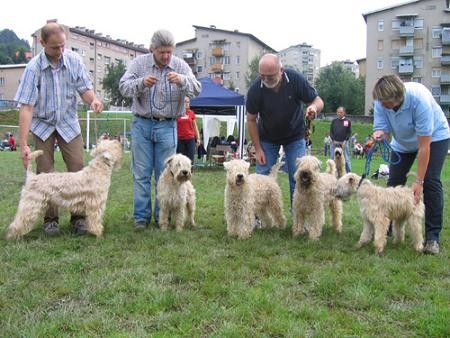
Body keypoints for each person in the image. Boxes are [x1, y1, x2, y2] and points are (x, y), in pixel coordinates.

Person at [14, 22, 103, 236]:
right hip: (43, 125)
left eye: (63, 45)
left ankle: (79, 219)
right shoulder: (33, 68)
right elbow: (26, 107)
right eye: (55, 47)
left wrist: (93, 100)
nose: (60, 51)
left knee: (78, 169)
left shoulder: (74, 61)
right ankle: (50, 220)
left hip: (68, 123)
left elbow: (85, 90)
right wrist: (24, 144)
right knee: (45, 174)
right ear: (42, 43)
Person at [119, 29, 201, 230]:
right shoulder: (139, 64)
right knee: (141, 174)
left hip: (167, 125)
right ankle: (141, 218)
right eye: (161, 52)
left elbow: (197, 88)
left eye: (169, 52)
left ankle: (161, 217)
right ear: (151, 49)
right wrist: (141, 83)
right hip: (142, 123)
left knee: (165, 174)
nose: (166, 56)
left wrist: (182, 80)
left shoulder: (180, 65)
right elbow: (123, 87)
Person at [372, 74, 450, 255]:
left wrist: (419, 181)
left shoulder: (418, 100)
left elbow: (424, 147)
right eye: (381, 102)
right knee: (394, 181)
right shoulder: (381, 100)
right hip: (402, 142)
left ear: (397, 98)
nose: (382, 105)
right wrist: (379, 134)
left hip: (435, 138)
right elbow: (381, 127)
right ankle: (389, 227)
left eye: (386, 103)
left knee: (430, 181)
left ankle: (432, 238)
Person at [246, 53, 324, 204]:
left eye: (269, 76)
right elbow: (250, 119)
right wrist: (258, 148)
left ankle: (298, 217)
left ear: (281, 70)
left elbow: (317, 100)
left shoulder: (295, 79)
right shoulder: (255, 89)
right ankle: (258, 217)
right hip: (267, 138)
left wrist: (313, 108)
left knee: (300, 177)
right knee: (262, 176)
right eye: (262, 76)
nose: (265, 80)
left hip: (295, 136)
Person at [176, 97, 200, 164]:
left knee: (190, 157)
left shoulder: (191, 113)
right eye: (185, 102)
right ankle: (180, 172)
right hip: (180, 139)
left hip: (190, 139)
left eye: (188, 102)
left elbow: (195, 127)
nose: (186, 103)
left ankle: (190, 171)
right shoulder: (177, 113)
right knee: (180, 158)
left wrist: (198, 138)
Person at [330, 106, 352, 173]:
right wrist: (333, 140)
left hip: (343, 143)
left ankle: (349, 172)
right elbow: (331, 131)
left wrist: (345, 141)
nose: (339, 113)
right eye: (338, 112)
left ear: (344, 113)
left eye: (341, 112)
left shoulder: (347, 121)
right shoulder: (334, 121)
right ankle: (332, 172)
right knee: (332, 158)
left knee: (346, 158)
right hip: (334, 143)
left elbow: (349, 132)